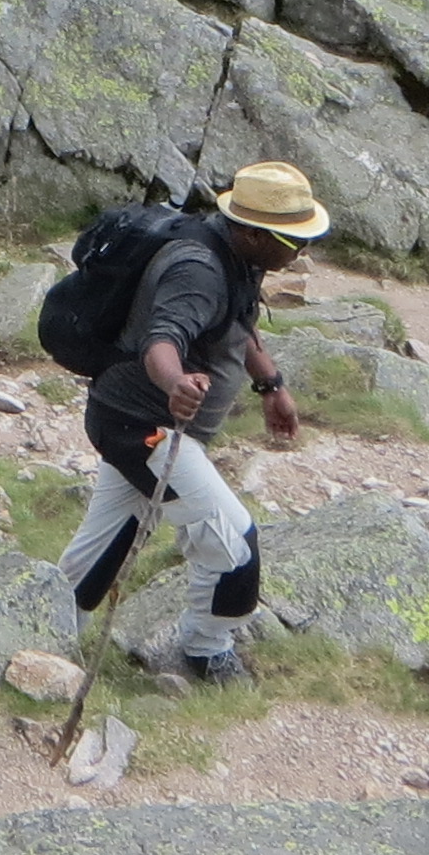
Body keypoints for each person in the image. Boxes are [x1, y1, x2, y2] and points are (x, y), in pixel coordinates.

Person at [62, 159, 326, 682]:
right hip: (147, 429)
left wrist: (271, 384)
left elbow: (238, 322)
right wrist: (175, 384)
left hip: (128, 420)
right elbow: (162, 340)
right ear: (252, 233)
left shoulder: (239, 257)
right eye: (293, 242)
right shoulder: (198, 271)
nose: (302, 253)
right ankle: (207, 651)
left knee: (108, 543)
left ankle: (45, 628)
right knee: (234, 546)